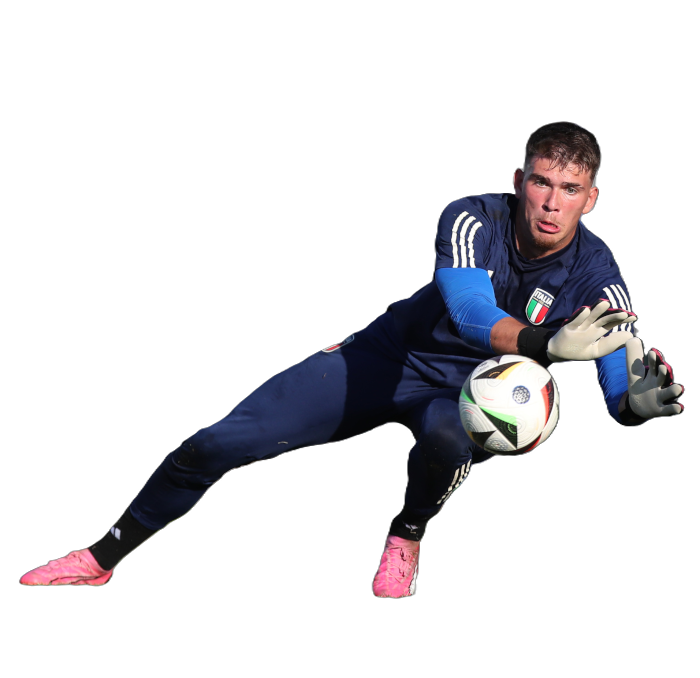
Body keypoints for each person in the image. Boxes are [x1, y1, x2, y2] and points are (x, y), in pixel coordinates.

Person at [19, 122, 683, 597]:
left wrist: (631, 405)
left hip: (466, 392)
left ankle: (408, 533)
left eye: (570, 188)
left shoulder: (599, 275)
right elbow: (468, 312)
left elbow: (618, 360)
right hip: (389, 355)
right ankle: (102, 557)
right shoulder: (471, 218)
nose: (551, 202)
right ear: (519, 181)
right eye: (541, 181)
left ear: (591, 197)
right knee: (214, 443)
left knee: (448, 440)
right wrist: (542, 344)